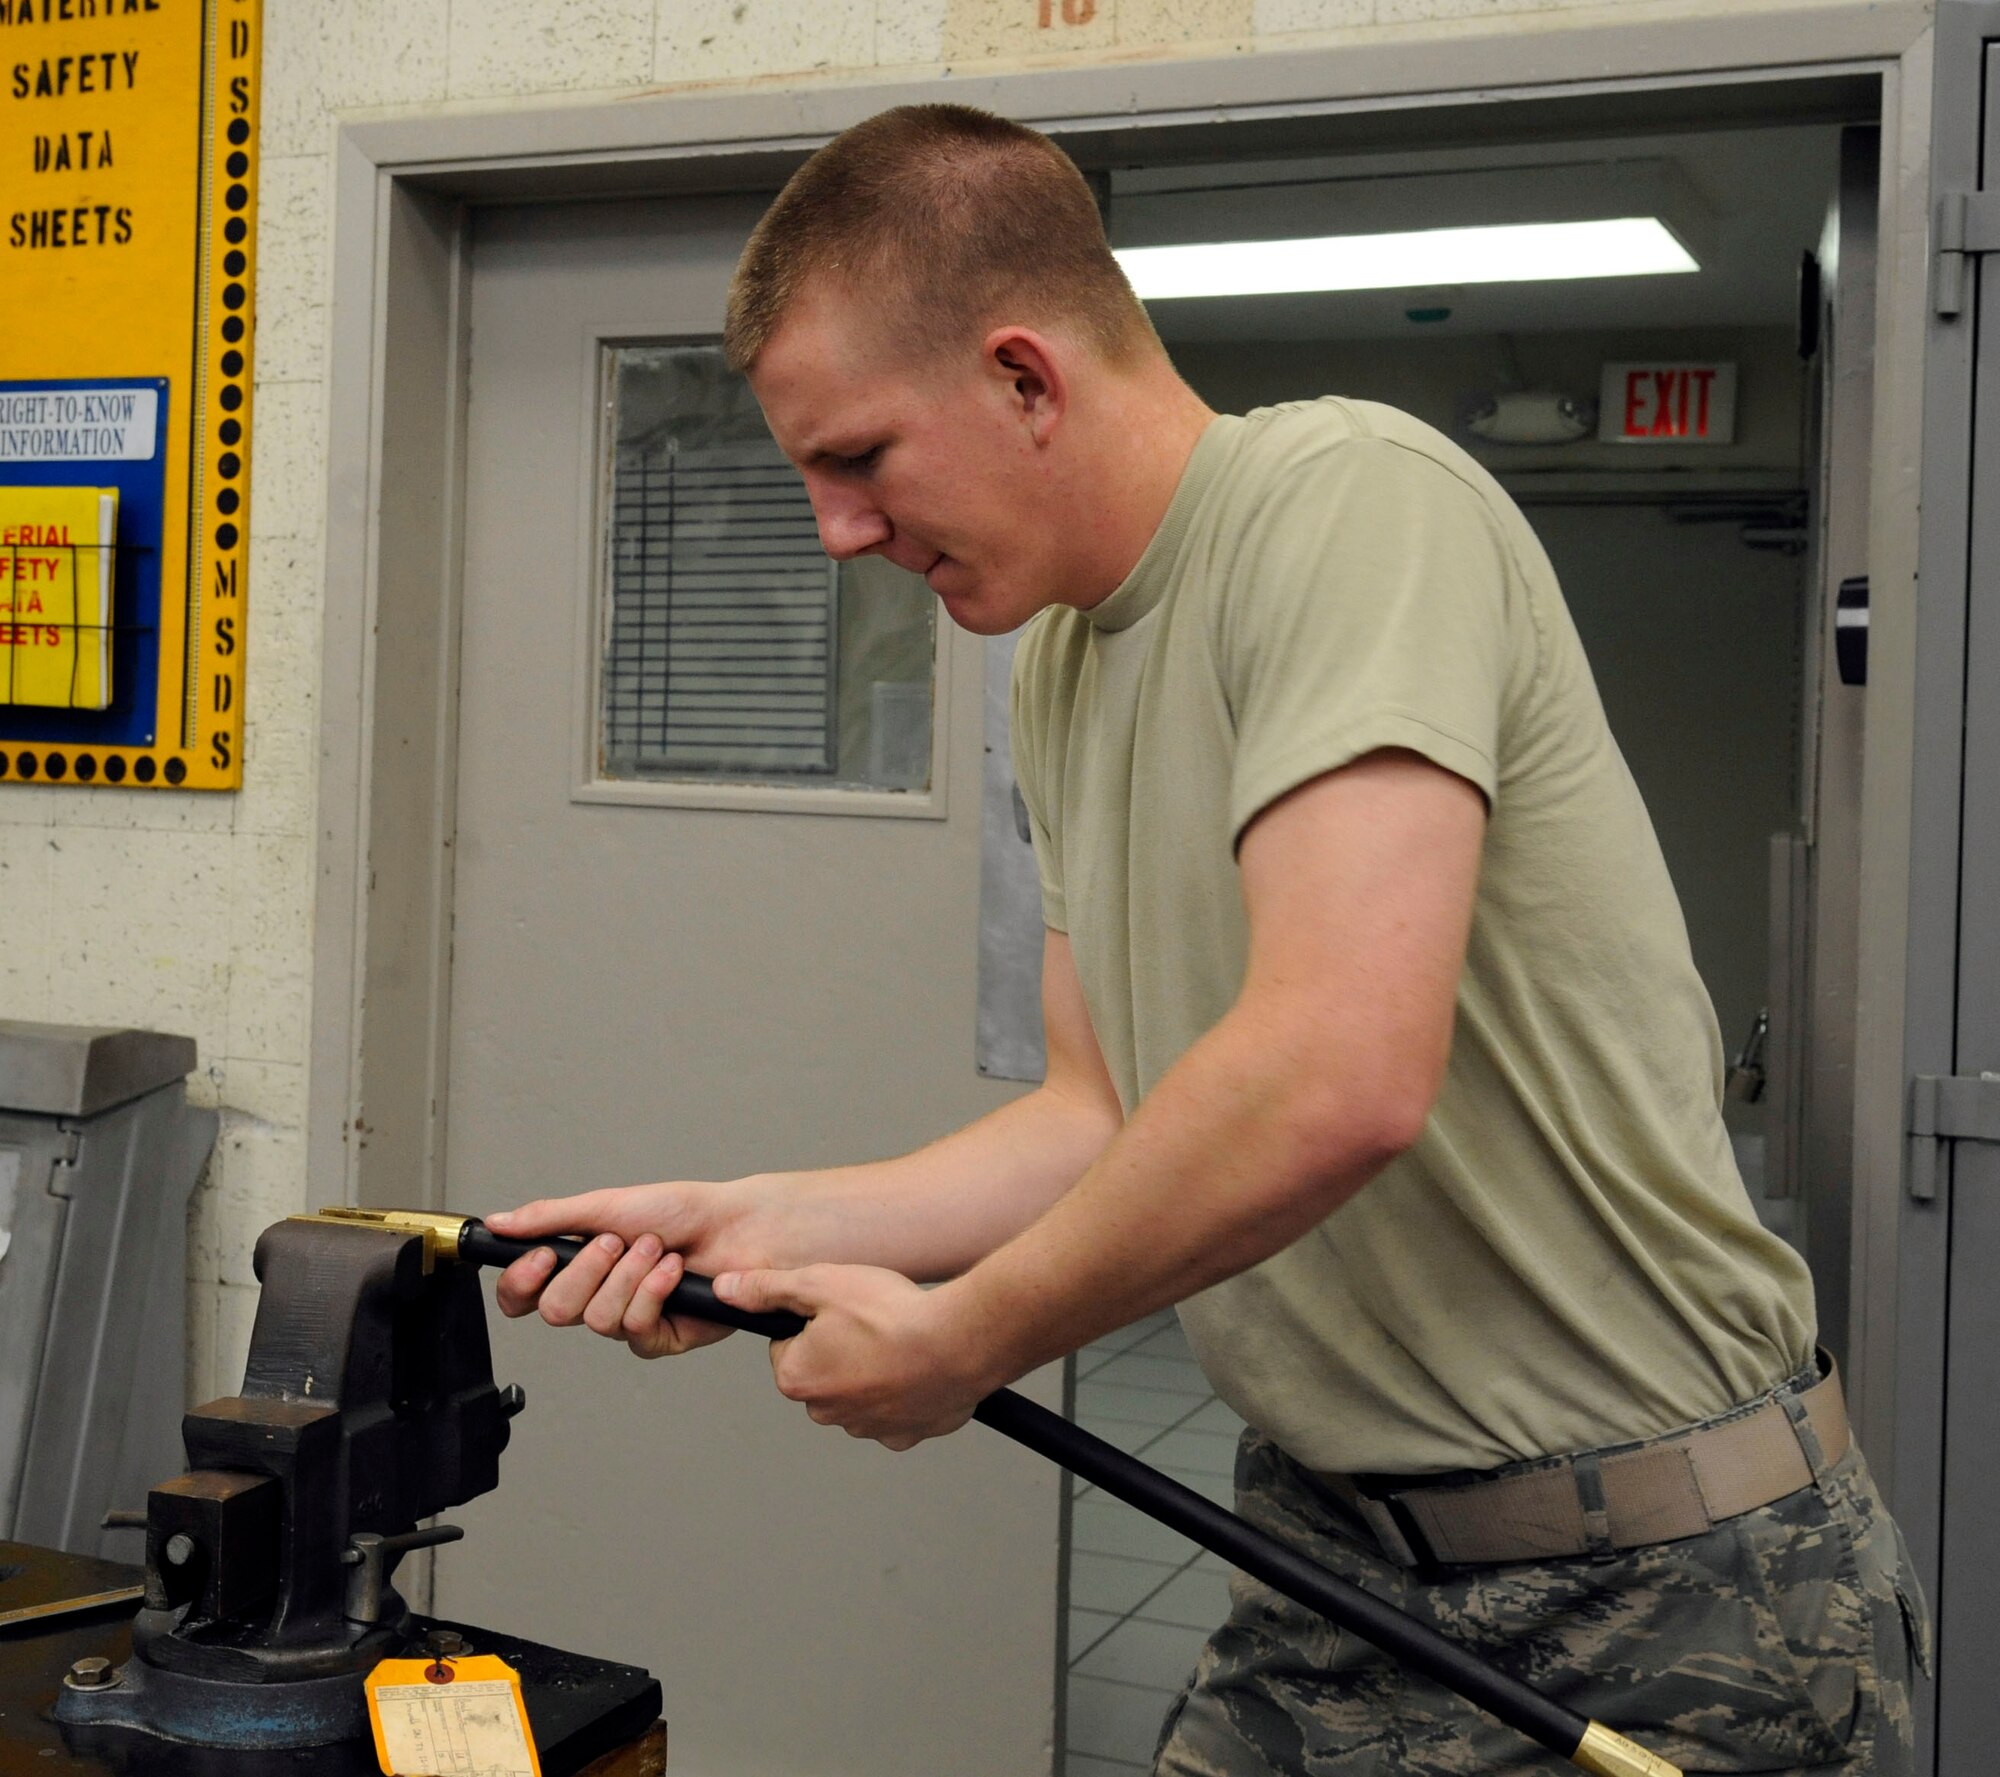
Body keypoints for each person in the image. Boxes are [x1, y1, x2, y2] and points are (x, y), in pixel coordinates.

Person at [487, 104, 1928, 1776]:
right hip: (1337, 1559)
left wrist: (971, 1338)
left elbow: (1337, 1073)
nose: (839, 533)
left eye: (859, 458)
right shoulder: (1060, 669)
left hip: (1671, 1587)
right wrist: (745, 1216)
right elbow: (1092, 1113)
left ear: (1025, 377)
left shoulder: (1347, 504)